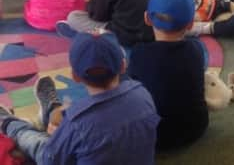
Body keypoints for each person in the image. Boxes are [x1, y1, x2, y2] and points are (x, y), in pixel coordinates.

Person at [0, 32, 159, 164]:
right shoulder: (143, 94)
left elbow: (51, 159)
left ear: (75, 76)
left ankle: (8, 123)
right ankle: (51, 109)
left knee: (39, 144)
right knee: (70, 123)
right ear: (123, 66)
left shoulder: (77, 123)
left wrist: (57, 137)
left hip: (71, 135)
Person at [129, 0, 209, 150]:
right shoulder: (197, 49)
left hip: (152, 136)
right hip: (196, 127)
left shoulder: (138, 54)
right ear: (190, 25)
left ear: (147, 18)